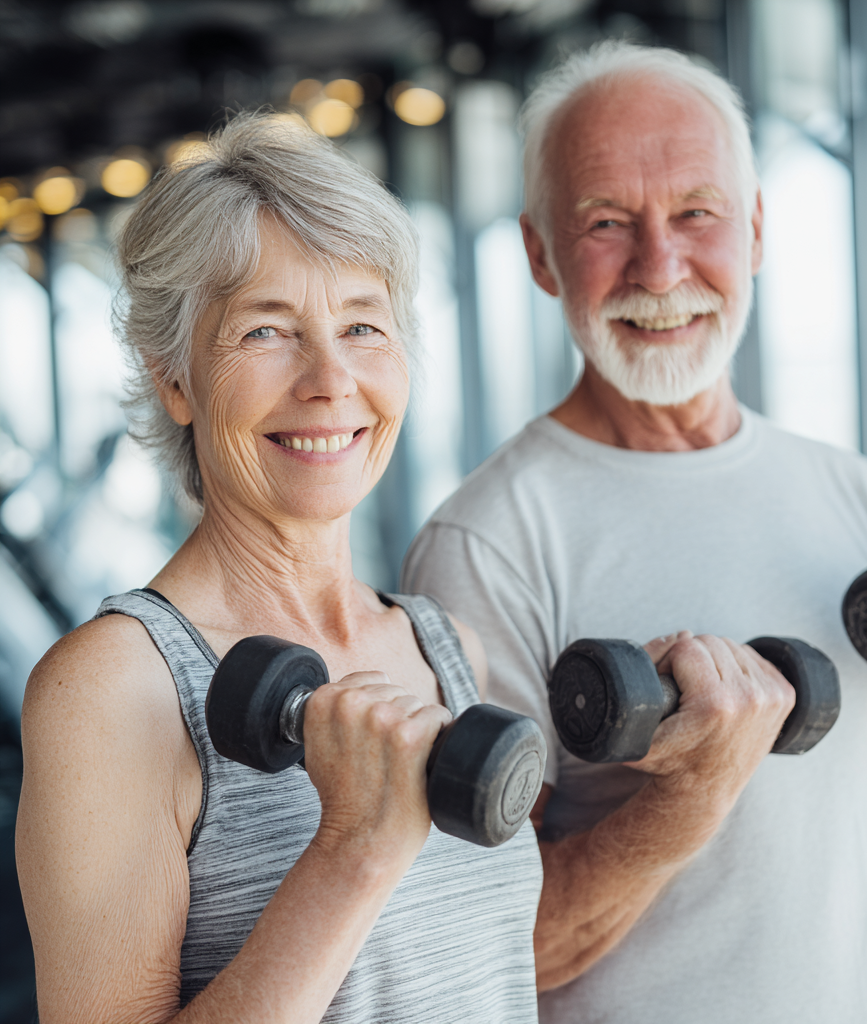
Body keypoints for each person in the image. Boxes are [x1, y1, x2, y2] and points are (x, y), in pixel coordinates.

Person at [402, 41, 867, 1024]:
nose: (660, 267)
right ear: (538, 254)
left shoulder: (855, 491)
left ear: (757, 231)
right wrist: (688, 795)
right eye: (606, 223)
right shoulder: (485, 545)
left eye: (696, 213)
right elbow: (490, 950)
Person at [16, 112, 542, 1024]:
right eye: (267, 331)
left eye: (364, 326)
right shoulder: (113, 690)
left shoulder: (443, 646)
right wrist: (353, 854)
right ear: (174, 378)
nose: (331, 379)